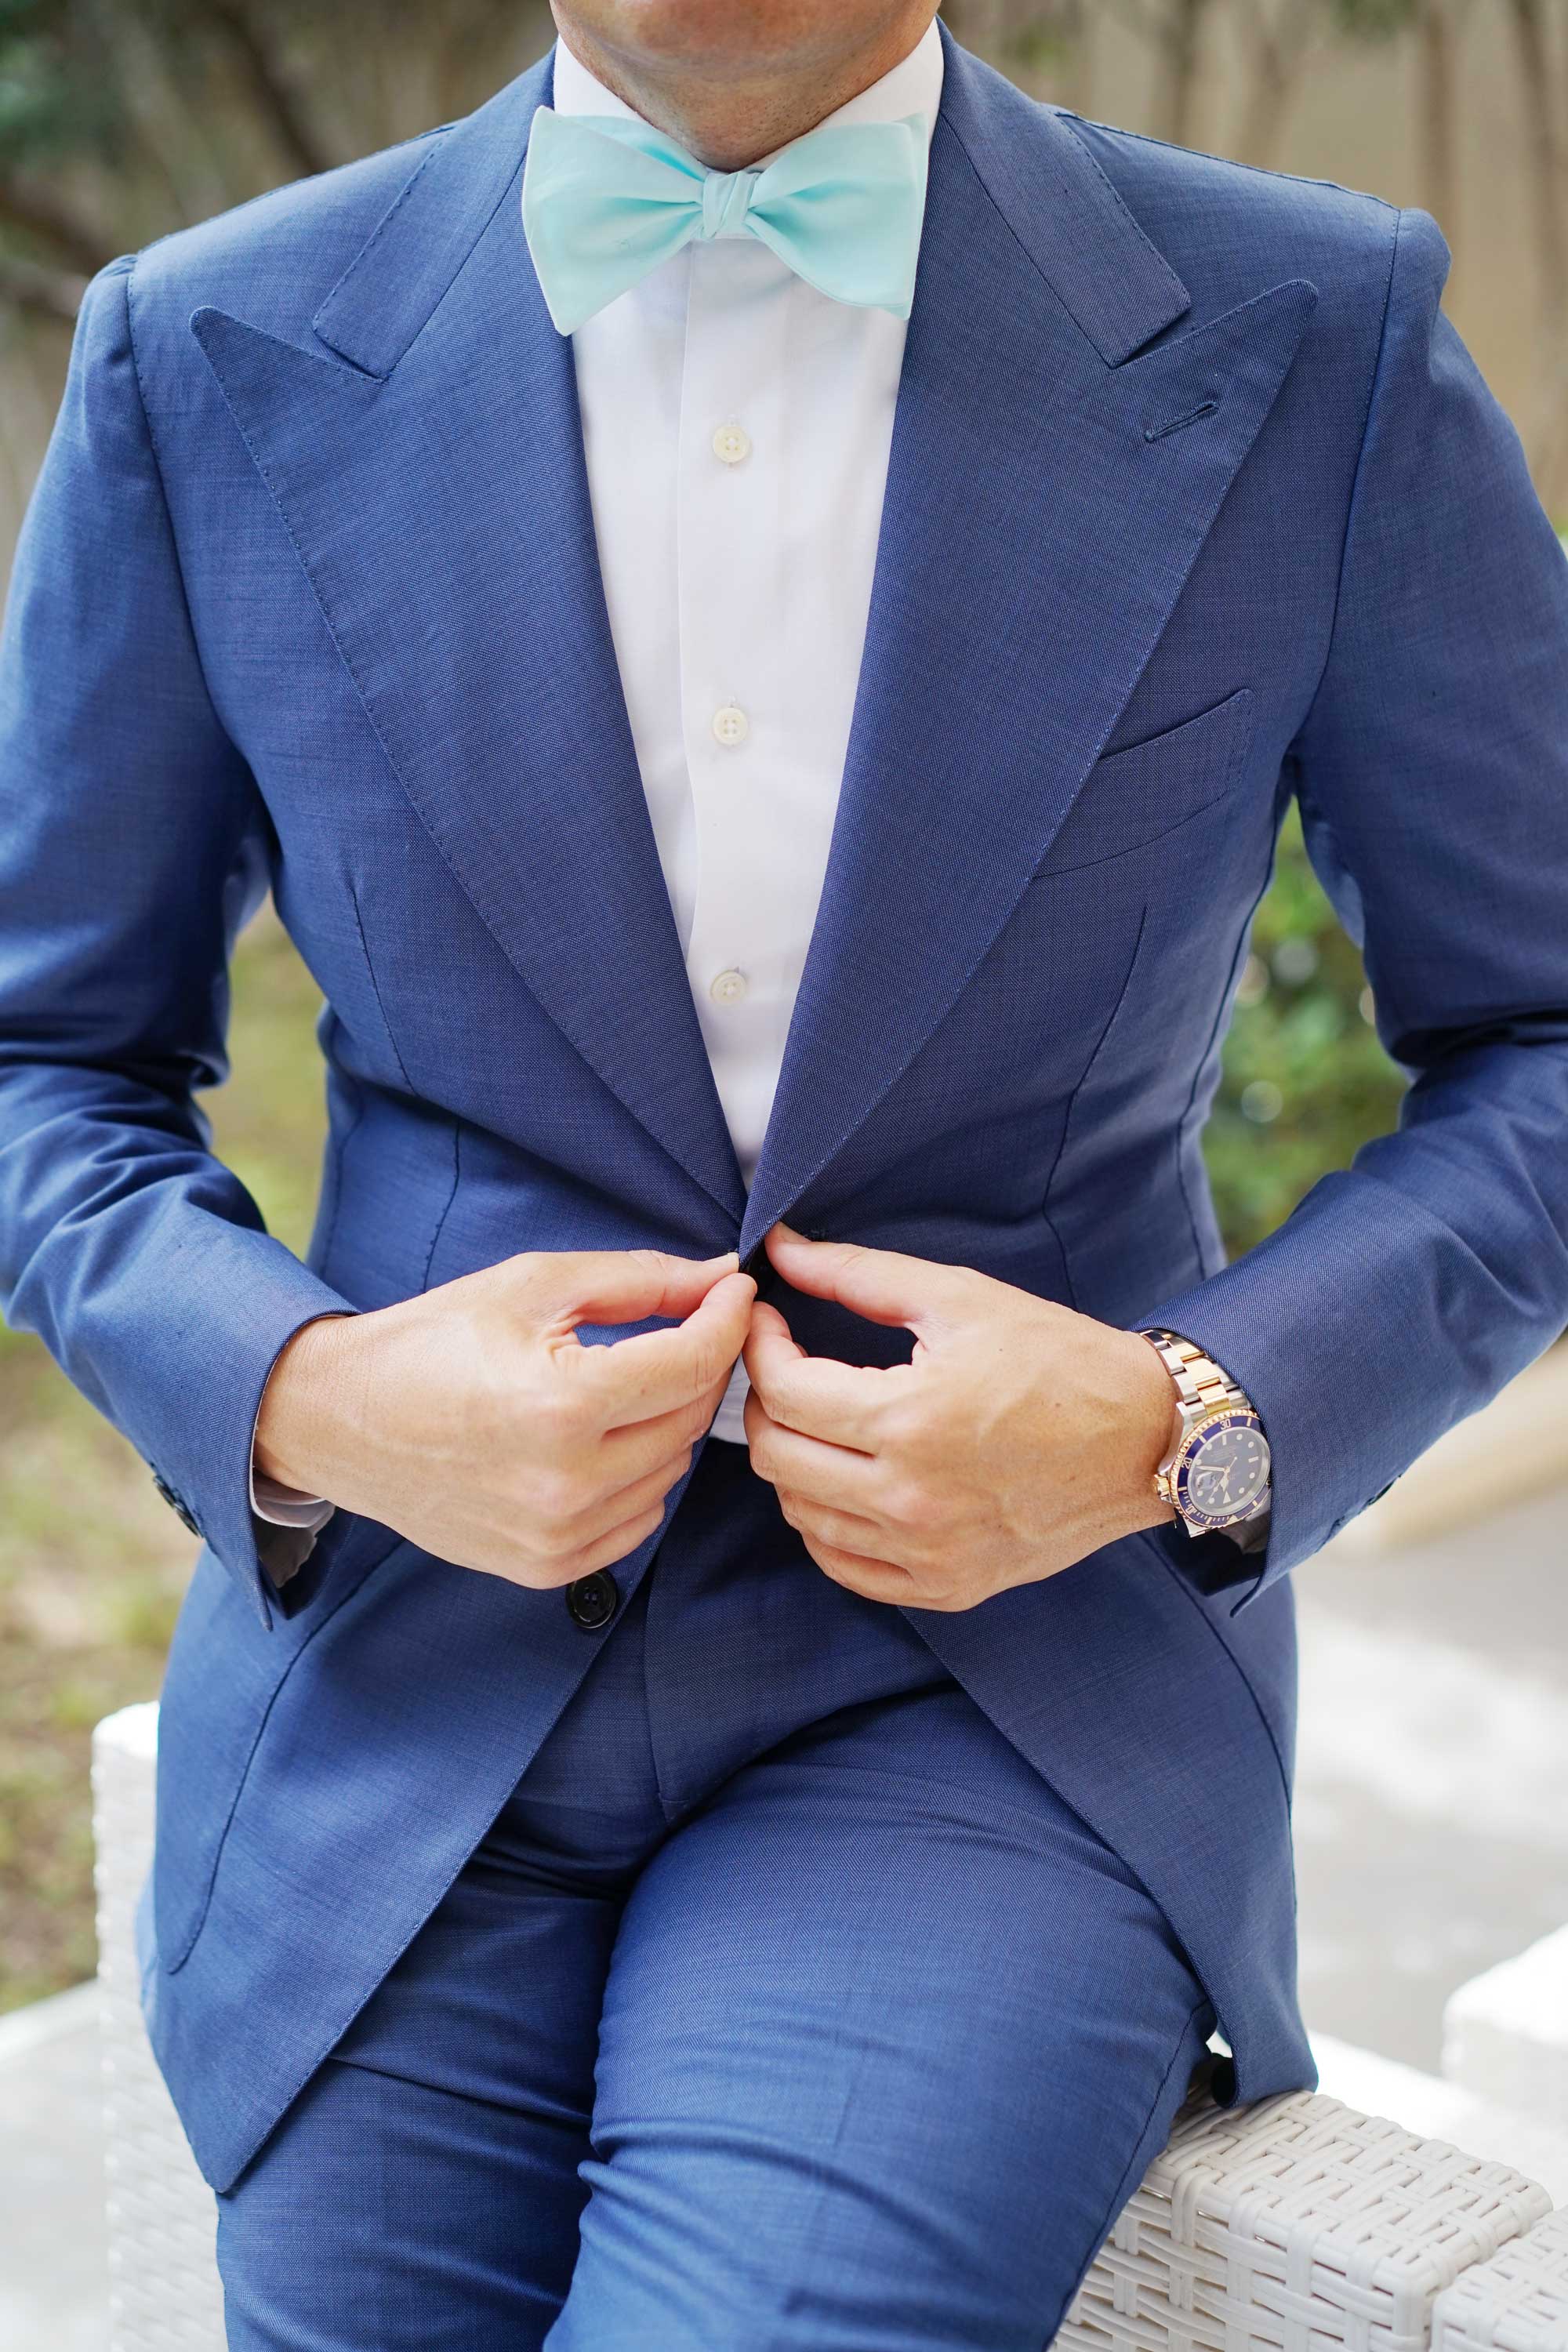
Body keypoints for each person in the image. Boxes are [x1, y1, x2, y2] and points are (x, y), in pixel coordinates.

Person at [2, 0, 1566, 2341]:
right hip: (404, 1710)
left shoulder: (1308, 334)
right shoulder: (199, 348)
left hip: (993, 1699)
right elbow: (41, 1055)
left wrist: (1180, 1417)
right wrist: (311, 1393)